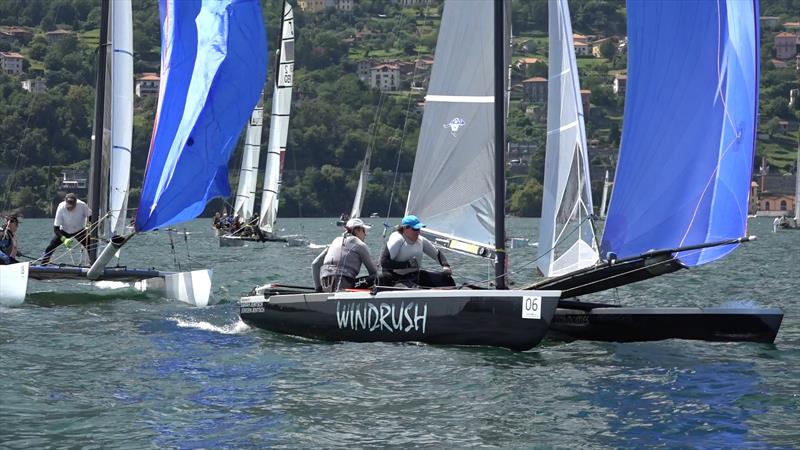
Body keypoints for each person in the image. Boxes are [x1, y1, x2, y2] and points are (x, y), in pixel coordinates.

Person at [378, 214, 454, 288]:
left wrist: (446, 266)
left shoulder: (421, 240)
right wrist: (407, 265)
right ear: (405, 228)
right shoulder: (397, 239)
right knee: (414, 289)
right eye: (415, 229)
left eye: (419, 228)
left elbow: (437, 255)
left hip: (415, 276)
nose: (418, 232)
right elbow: (384, 262)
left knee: (447, 279)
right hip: (395, 279)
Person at [312, 218, 378, 292]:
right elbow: (373, 272)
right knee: (382, 277)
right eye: (364, 231)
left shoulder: (335, 242)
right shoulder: (360, 244)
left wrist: (318, 288)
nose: (365, 234)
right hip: (345, 286)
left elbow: (315, 264)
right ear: (357, 230)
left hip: (325, 285)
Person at [40, 193, 93, 265]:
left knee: (91, 246)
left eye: (72, 206)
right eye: (68, 206)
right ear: (65, 202)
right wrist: (64, 239)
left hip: (79, 230)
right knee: (50, 246)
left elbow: (90, 215)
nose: (70, 208)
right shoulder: (61, 207)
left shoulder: (82, 205)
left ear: (76, 203)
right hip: (65, 231)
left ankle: (93, 264)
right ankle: (43, 264)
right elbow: (56, 229)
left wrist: (89, 224)